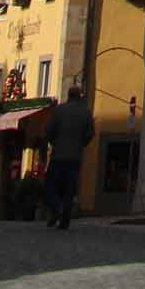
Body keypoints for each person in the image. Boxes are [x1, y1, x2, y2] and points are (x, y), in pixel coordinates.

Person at [40, 85, 95, 231]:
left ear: (68, 96)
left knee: (51, 185)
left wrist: (54, 142)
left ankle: (56, 208)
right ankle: (65, 220)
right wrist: (81, 144)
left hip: (58, 155)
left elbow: (49, 130)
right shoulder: (86, 113)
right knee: (70, 189)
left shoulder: (59, 110)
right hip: (75, 157)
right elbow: (90, 134)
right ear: (80, 96)